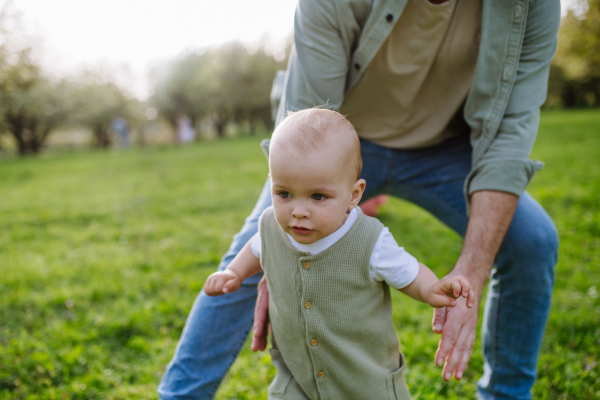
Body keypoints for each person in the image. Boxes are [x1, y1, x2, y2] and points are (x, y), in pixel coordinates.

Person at [158, 0, 560, 399]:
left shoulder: (532, 6)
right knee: (246, 252)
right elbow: (301, 125)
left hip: (445, 150)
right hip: (337, 144)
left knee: (532, 240)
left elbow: (510, 140)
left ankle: (506, 394)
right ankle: (180, 395)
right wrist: (284, 261)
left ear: (356, 195)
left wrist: (469, 273)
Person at [204, 109, 474, 399]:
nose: (298, 211)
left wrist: (431, 289)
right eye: (283, 194)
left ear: (354, 195)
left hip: (365, 382)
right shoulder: (272, 225)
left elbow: (409, 272)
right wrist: (234, 272)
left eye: (318, 196)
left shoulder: (370, 240)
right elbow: (257, 248)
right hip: (297, 379)